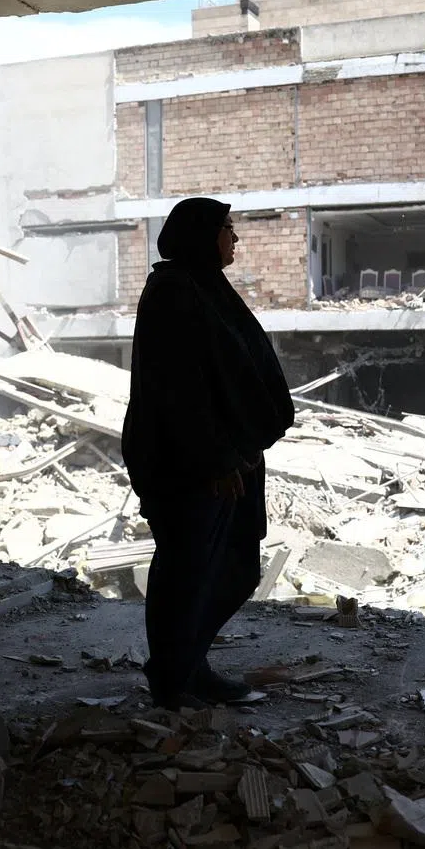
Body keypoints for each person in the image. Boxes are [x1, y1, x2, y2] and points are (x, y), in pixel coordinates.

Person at [122, 197, 295, 709]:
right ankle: (174, 678)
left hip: (225, 458)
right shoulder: (173, 292)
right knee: (187, 570)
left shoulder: (203, 287)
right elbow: (179, 389)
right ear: (202, 234)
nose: (234, 238)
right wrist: (215, 459)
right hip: (189, 464)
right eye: (227, 228)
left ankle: (187, 665)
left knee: (233, 568)